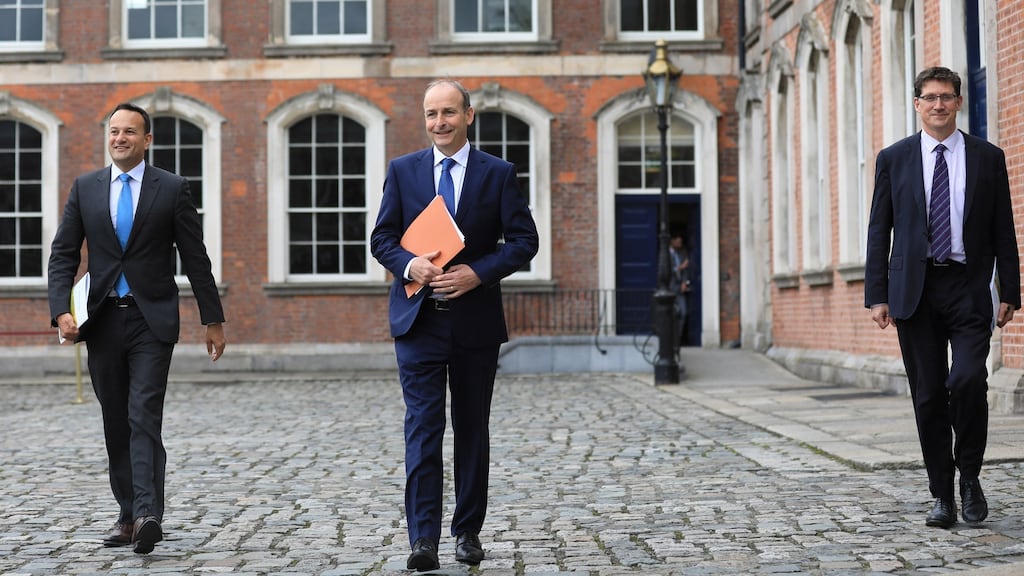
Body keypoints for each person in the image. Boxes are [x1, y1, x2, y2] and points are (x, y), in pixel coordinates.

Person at [370, 79, 538, 571]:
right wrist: (408, 264)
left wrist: (478, 272)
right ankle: (422, 540)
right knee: (422, 430)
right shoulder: (403, 171)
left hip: (475, 324)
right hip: (417, 322)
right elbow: (382, 237)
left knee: (471, 430)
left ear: (469, 114)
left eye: (447, 112)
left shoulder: (498, 173)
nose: (438, 122)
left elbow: (524, 241)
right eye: (430, 114)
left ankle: (467, 532)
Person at [47, 102, 226, 554]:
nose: (120, 138)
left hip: (152, 319)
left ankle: (149, 513)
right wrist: (60, 310)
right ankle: (128, 514)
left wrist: (213, 319)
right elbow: (64, 252)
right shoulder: (85, 188)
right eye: (114, 132)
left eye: (130, 132)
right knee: (115, 422)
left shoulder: (171, 188)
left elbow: (196, 257)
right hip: (103, 320)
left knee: (142, 414)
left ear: (147, 140)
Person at [865, 67, 1020, 529]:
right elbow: (879, 230)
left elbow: (1003, 231)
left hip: (968, 288)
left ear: (957, 103)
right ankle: (942, 494)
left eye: (946, 97)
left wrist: (1009, 290)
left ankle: (970, 476)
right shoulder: (894, 158)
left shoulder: (987, 157)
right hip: (914, 291)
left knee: (969, 380)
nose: (938, 105)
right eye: (930, 97)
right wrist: (877, 294)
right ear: (917, 104)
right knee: (929, 397)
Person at [668, 232, 691, 347]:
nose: (680, 244)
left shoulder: (681, 253)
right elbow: (665, 271)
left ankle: (678, 340)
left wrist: (684, 282)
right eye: (678, 242)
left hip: (680, 289)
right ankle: (670, 340)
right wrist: (680, 267)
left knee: (683, 313)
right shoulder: (665, 254)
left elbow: (686, 271)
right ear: (672, 241)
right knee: (670, 316)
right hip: (669, 289)